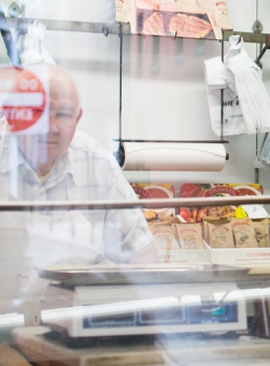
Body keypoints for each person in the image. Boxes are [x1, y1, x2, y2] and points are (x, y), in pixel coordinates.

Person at [0, 64, 156, 267]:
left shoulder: (95, 160)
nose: (50, 128)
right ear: (11, 114)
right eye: (36, 112)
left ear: (77, 118)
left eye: (63, 115)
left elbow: (142, 255)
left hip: (82, 296)